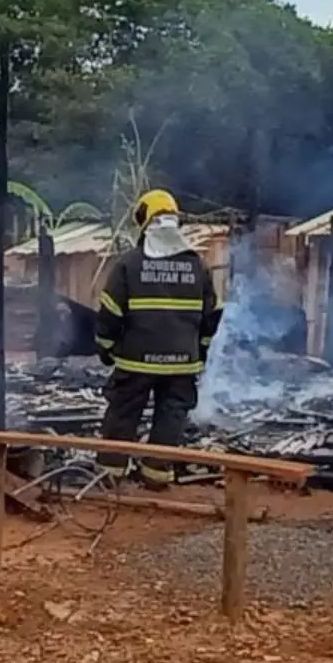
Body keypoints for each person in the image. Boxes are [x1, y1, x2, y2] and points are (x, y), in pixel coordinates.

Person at [92, 189, 220, 490]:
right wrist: (199, 353)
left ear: (145, 221)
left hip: (136, 361)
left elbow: (110, 313)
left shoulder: (129, 265)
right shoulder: (198, 266)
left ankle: (111, 473)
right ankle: (156, 475)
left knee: (123, 413)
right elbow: (211, 317)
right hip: (182, 364)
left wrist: (106, 347)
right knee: (171, 417)